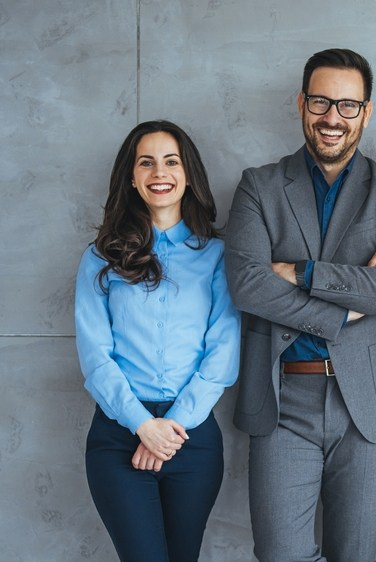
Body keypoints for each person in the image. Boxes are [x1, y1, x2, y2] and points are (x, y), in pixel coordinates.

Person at [224, 47, 376, 561]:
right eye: (320, 102)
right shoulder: (258, 186)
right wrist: (347, 307)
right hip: (283, 399)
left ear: (367, 111)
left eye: (347, 105)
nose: (332, 117)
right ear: (301, 104)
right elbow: (247, 285)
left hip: (368, 407)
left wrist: (298, 272)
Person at [74, 120, 241, 561]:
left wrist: (170, 430)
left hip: (192, 438)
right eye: (145, 162)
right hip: (118, 437)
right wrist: (143, 426)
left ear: (188, 175)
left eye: (171, 161)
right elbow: (96, 357)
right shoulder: (99, 258)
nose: (159, 172)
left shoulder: (218, 256)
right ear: (131, 177)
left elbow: (222, 352)